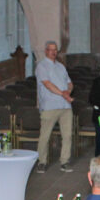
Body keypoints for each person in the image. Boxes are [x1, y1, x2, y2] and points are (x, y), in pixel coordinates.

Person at [35, 40, 74, 173]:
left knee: (67, 135)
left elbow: (69, 82)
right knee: (45, 135)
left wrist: (68, 91)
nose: (53, 52)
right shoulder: (41, 66)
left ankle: (65, 161)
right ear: (46, 51)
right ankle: (42, 161)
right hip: (50, 105)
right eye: (51, 49)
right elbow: (47, 84)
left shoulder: (61, 66)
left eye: (55, 49)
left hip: (65, 106)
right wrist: (63, 93)